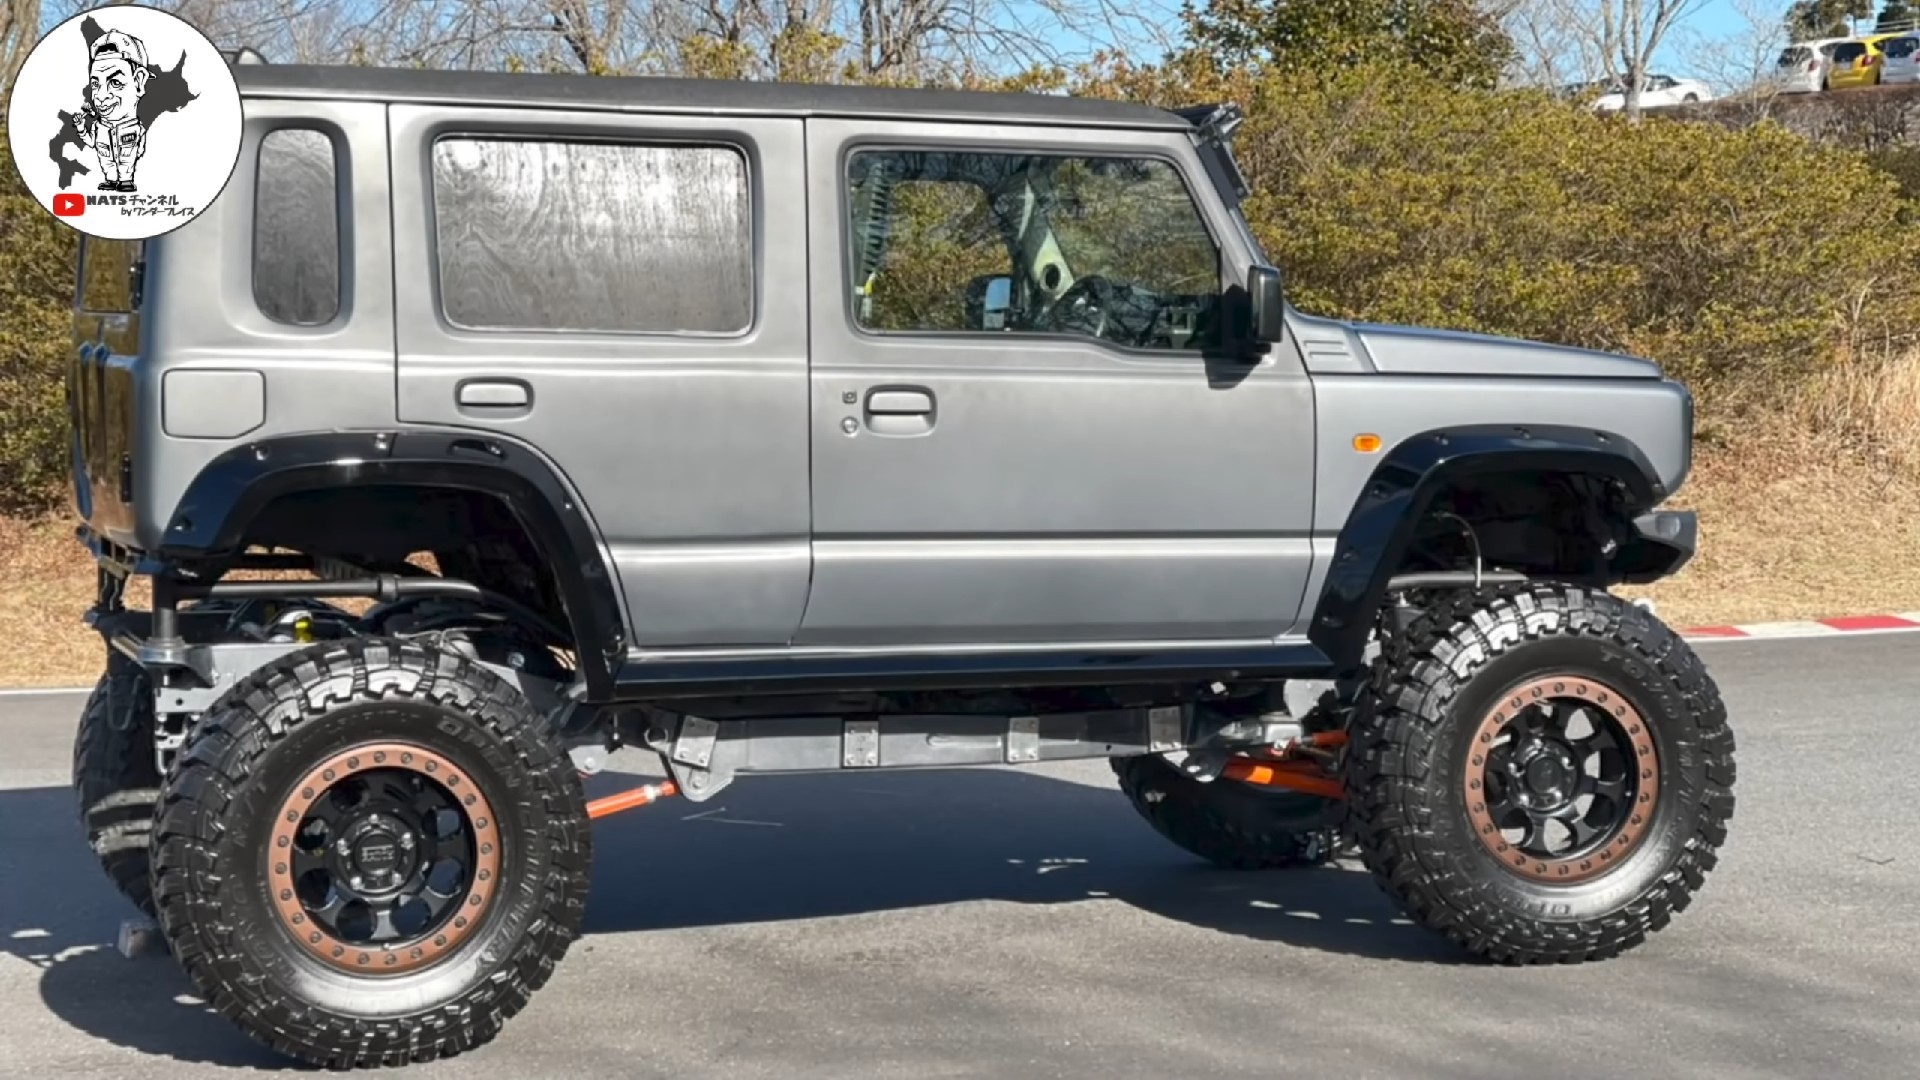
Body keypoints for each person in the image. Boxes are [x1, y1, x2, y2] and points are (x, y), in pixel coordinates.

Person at [80, 29, 150, 192]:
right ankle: (111, 180)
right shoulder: (99, 127)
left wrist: (139, 148)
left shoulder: (135, 129)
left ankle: (126, 181)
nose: (101, 96)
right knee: (107, 161)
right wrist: (81, 128)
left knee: (127, 158)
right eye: (95, 84)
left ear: (139, 82)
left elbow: (139, 148)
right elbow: (91, 142)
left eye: (115, 82)